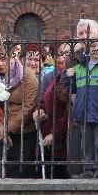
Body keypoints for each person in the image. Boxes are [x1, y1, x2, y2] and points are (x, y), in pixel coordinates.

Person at [64, 32, 98, 179]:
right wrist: (66, 76)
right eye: (92, 46)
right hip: (83, 111)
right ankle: (88, 169)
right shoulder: (79, 68)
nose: (96, 49)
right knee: (86, 143)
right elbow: (70, 88)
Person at [0, 44, 38, 178]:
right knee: (0, 176)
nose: (0, 63)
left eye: (3, 59)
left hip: (24, 133)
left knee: (19, 177)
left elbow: (29, 106)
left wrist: (9, 128)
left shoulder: (27, 75)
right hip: (1, 133)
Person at [33, 41, 71, 178]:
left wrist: (55, 133)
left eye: (66, 54)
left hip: (63, 140)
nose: (61, 59)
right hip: (48, 137)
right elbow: (44, 100)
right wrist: (40, 110)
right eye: (58, 54)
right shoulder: (53, 78)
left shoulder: (71, 77)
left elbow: (69, 111)